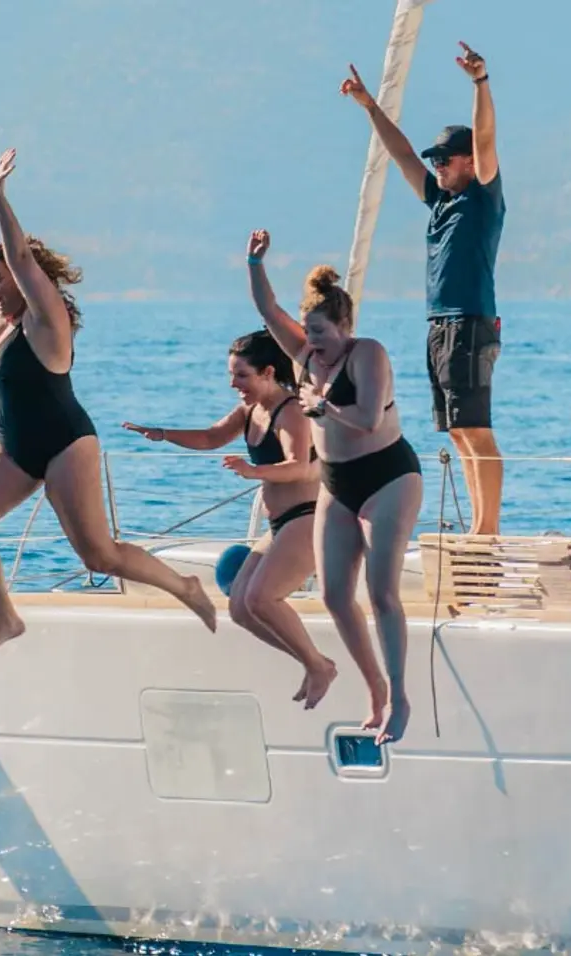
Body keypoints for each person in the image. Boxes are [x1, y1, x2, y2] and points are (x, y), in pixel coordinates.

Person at [0, 140, 217, 660]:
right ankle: (6, 618)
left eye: (0, 280)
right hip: (14, 447)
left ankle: (185, 587)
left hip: (63, 445)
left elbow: (21, 259)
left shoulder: (45, 320)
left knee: (98, 555)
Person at [246, 230, 422, 744]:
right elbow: (266, 308)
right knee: (334, 595)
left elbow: (368, 419)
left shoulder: (368, 355)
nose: (314, 340)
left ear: (344, 326)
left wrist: (323, 407)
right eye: (308, 331)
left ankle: (401, 694)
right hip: (338, 483)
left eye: (321, 331)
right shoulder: (303, 357)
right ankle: (374, 692)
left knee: (381, 593)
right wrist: (255, 263)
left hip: (388, 477)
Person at [122, 330, 337, 707]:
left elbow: (300, 467)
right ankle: (314, 662)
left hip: (306, 517)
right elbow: (210, 437)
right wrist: (160, 433)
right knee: (240, 608)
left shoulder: (291, 412)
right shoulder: (251, 410)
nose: (233, 384)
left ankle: (318, 666)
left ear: (268, 371)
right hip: (280, 523)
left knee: (262, 598)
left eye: (241, 375)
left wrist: (254, 472)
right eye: (232, 374)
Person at [340, 42, 504, 535]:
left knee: (476, 428)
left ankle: (487, 529)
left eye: (446, 160)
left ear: (468, 162)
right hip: (439, 324)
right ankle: (480, 524)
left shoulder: (482, 196)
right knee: (456, 429)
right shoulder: (439, 201)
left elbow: (488, 139)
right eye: (437, 161)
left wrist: (480, 83)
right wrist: (371, 107)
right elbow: (403, 152)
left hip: (469, 319)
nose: (437, 167)